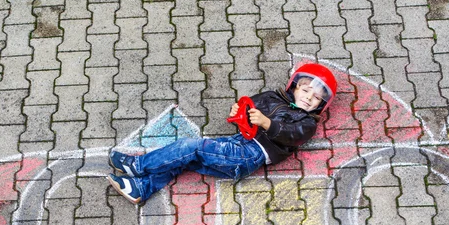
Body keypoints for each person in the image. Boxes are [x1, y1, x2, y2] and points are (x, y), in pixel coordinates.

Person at [107, 62, 337, 204]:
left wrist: (267, 123)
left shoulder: (307, 123)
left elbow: (291, 134)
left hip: (249, 156)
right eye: (306, 90)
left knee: (191, 147)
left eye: (316, 97)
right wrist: (238, 112)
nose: (309, 97)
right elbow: (247, 109)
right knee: (185, 159)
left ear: (321, 104)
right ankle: (141, 188)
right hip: (240, 142)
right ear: (294, 86)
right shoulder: (272, 97)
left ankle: (138, 166)